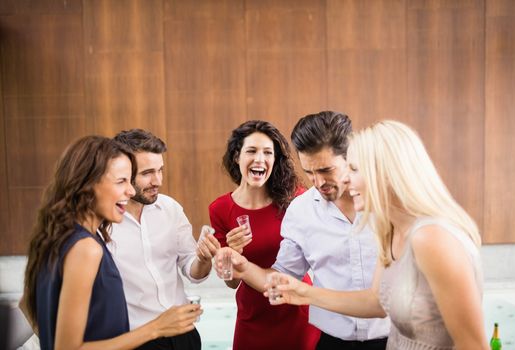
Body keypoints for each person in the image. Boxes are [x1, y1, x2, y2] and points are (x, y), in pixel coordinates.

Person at [265, 120, 488, 350]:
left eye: (353, 169)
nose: (344, 179)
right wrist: (303, 292)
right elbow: (375, 301)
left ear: (386, 172)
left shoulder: (431, 238)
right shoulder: (390, 231)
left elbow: (474, 345)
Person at [215, 112, 390, 349]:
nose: (318, 183)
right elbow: (284, 276)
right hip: (332, 343)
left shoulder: (388, 202)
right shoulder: (301, 210)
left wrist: (305, 293)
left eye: (326, 170)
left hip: (393, 339)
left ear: (351, 156)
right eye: (309, 172)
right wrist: (243, 267)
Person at [21, 136, 201, 350]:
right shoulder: (86, 248)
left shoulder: (60, 236)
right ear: (88, 185)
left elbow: (27, 304)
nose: (131, 191)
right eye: (121, 181)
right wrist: (157, 328)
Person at [208, 120, 320, 350]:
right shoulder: (220, 209)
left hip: (296, 309)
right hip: (253, 315)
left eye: (268, 153)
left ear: (275, 160)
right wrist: (232, 254)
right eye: (252, 151)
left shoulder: (296, 199)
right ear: (237, 157)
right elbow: (231, 282)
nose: (260, 159)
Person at [110, 129, 220, 350]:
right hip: (136, 340)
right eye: (147, 173)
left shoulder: (170, 208)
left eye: (160, 170)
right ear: (123, 172)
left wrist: (204, 257)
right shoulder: (103, 223)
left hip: (183, 334)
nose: (157, 180)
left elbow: (193, 271)